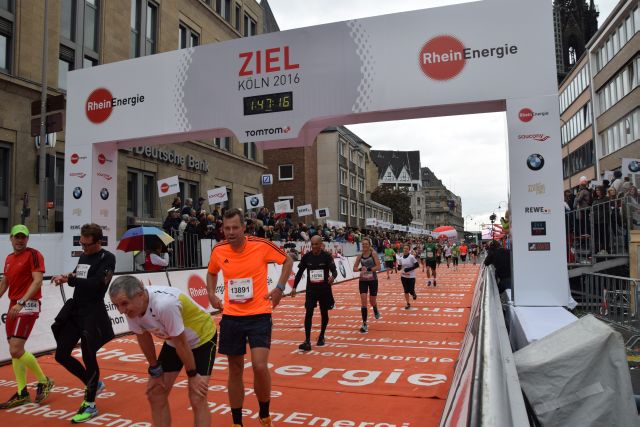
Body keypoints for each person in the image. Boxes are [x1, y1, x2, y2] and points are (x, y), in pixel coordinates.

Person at [206, 208, 293, 427]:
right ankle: (237, 422)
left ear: (244, 228)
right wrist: (211, 293)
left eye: (235, 227)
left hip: (259, 315)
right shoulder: (219, 250)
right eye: (227, 228)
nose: (231, 232)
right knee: (235, 370)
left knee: (259, 366)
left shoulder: (260, 245)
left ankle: (264, 414)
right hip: (231, 317)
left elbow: (288, 261)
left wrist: (280, 288)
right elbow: (212, 272)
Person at [108, 276, 216, 427]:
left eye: (124, 304)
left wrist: (193, 375)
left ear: (140, 294)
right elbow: (143, 337)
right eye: (116, 305)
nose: (121, 311)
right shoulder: (132, 309)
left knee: (197, 396)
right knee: (156, 394)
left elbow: (182, 343)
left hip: (201, 339)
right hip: (174, 341)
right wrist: (155, 370)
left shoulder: (164, 304)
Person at [51, 223, 115, 423]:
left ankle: (90, 404)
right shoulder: (83, 256)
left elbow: (97, 284)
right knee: (61, 354)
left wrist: (70, 280)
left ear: (98, 242)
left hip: (93, 312)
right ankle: (93, 384)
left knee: (89, 356)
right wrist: (64, 277)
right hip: (76, 310)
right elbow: (76, 275)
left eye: (87, 244)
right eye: (82, 243)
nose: (84, 247)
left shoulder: (108, 258)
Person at [0, 225, 54, 409]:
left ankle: (44, 380)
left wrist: (22, 302)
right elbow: (5, 282)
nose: (20, 240)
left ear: (27, 239)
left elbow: (37, 281)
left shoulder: (34, 254)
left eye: (23, 237)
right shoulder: (9, 258)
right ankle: (22, 392)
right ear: (11, 238)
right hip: (13, 305)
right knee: (14, 351)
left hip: (28, 304)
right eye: (17, 237)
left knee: (16, 349)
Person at [291, 235, 337, 351]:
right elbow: (299, 273)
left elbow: (334, 271)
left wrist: (332, 277)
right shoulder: (306, 257)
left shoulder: (327, 256)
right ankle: (307, 341)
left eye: (316, 244)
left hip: (324, 289)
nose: (314, 246)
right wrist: (294, 287)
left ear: (321, 244)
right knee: (308, 313)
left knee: (324, 313)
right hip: (311, 290)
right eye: (312, 244)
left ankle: (321, 336)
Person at [352, 237, 381, 333]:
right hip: (363, 280)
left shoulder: (373, 254)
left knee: (372, 301)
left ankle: (375, 308)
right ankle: (364, 324)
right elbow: (354, 268)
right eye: (363, 244)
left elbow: (379, 267)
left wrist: (369, 269)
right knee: (363, 301)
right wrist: (360, 269)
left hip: (373, 280)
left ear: (369, 245)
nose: (364, 246)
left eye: (366, 244)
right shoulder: (360, 255)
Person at [397, 244, 419, 310]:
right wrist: (398, 268)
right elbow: (399, 267)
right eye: (404, 248)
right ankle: (408, 303)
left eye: (407, 249)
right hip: (403, 276)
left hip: (411, 277)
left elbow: (417, 265)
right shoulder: (401, 258)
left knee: (411, 290)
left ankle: (413, 293)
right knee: (406, 290)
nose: (405, 250)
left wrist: (409, 269)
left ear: (409, 250)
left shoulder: (411, 257)